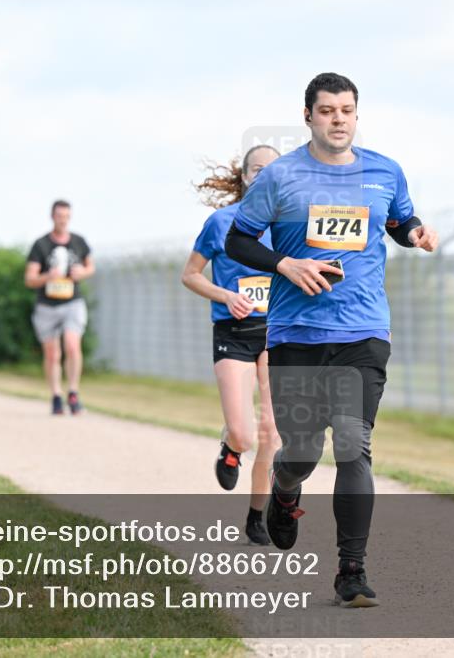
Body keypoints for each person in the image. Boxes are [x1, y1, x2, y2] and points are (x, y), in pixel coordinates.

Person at [225, 73, 439, 607]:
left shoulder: (384, 170)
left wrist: (414, 233)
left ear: (356, 115)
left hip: (363, 331)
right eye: (327, 111)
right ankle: (284, 487)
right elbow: (238, 240)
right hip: (297, 334)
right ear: (308, 117)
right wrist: (285, 263)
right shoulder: (280, 176)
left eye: (347, 110)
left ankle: (351, 571)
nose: (338, 119)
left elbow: (398, 218)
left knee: (352, 444)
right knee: (301, 449)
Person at [182, 145, 282, 546]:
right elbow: (190, 275)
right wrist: (225, 296)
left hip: (279, 332)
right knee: (245, 434)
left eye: (272, 170)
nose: (263, 176)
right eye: (256, 169)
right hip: (234, 333)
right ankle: (230, 445)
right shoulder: (221, 222)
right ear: (244, 177)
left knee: (273, 434)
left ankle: (258, 516)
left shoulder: (290, 224)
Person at [25, 200, 94, 415]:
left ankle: (73, 392)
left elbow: (91, 266)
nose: (62, 220)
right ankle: (56, 395)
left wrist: (82, 272)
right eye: (59, 216)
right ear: (52, 217)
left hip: (72, 302)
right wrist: (47, 276)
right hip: (47, 306)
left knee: (73, 345)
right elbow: (29, 279)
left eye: (66, 216)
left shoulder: (79, 241)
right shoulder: (41, 245)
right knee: (53, 353)